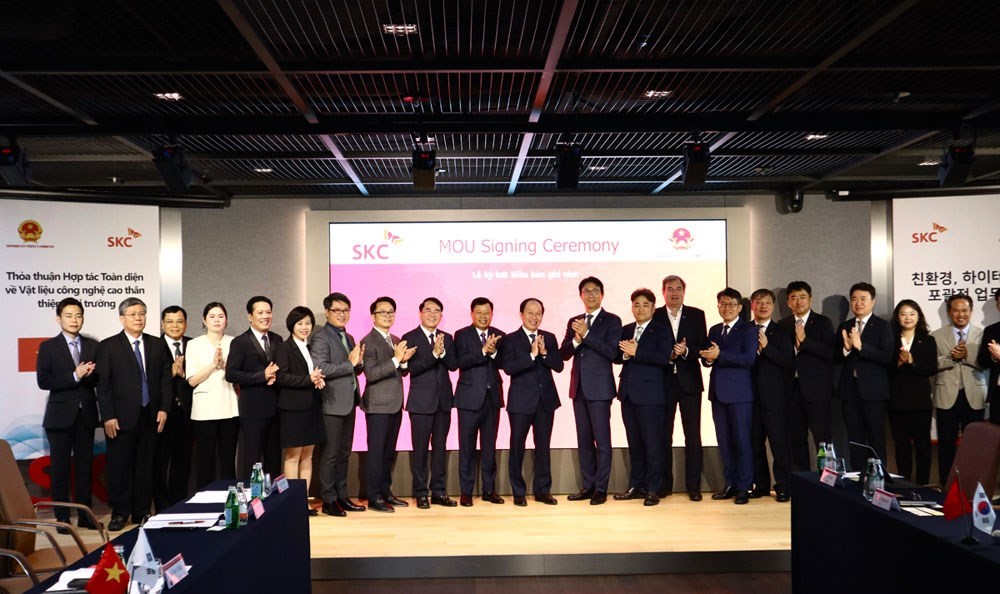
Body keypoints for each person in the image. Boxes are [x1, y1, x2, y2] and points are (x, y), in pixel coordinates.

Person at [96, 297, 173, 532]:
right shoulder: (109, 346)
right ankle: (120, 512)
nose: (138, 318)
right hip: (120, 418)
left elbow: (166, 379)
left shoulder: (157, 345)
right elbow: (103, 385)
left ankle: (142, 512)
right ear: (122, 318)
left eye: (142, 313)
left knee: (145, 467)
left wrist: (164, 408)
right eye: (133, 314)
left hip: (151, 415)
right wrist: (108, 416)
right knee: (120, 467)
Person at [36, 297, 99, 530]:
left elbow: (99, 379)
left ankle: (84, 515)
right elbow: (44, 381)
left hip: (86, 415)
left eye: (78, 315)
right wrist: (74, 376)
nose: (74, 320)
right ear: (58, 319)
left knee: (85, 469)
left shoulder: (93, 346)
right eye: (69, 316)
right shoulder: (48, 347)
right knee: (60, 470)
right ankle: (62, 517)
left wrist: (89, 375)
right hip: (59, 417)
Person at [560, 277, 622, 505]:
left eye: (595, 291)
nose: (591, 295)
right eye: (586, 291)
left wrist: (587, 335)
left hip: (600, 389)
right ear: (581, 295)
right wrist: (576, 340)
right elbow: (563, 354)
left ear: (602, 294)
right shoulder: (574, 321)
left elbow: (612, 353)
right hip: (578, 388)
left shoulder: (612, 320)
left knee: (602, 441)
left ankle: (600, 489)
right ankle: (588, 486)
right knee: (584, 440)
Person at [500, 298, 564, 507]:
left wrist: (544, 354)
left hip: (546, 401)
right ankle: (518, 491)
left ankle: (543, 490)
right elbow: (508, 368)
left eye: (538, 313)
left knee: (543, 447)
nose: (534, 317)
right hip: (520, 402)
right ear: (521, 315)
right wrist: (531, 355)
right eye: (530, 312)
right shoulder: (510, 339)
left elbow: (559, 366)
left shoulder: (549, 338)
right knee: (517, 446)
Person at [614, 289, 671, 506]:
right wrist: (624, 354)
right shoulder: (626, 329)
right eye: (636, 305)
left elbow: (663, 358)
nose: (640, 309)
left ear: (653, 308)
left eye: (645, 305)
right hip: (628, 394)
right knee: (634, 443)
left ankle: (653, 488)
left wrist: (637, 352)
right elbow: (616, 356)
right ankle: (636, 485)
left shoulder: (662, 330)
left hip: (651, 396)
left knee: (653, 444)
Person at [400, 298, 459, 509]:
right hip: (421, 403)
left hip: (443, 402)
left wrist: (442, 352)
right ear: (420, 313)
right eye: (428, 310)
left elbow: (454, 365)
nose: (432, 314)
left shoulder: (447, 338)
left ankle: (439, 492)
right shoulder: (409, 337)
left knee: (440, 449)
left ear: (441, 315)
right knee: (421, 450)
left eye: (437, 311)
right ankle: (420, 493)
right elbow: (411, 369)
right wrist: (434, 354)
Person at [651, 275, 706, 501]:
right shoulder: (654, 315)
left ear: (684, 291)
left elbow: (702, 346)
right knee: (663, 436)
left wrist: (686, 351)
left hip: (689, 382)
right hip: (662, 382)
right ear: (663, 292)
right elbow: (650, 347)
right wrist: (669, 355)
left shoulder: (697, 315)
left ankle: (694, 487)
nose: (674, 293)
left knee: (693, 436)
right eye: (670, 289)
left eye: (678, 288)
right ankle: (664, 485)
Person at [701, 288, 757, 505]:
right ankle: (730, 483)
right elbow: (708, 357)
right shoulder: (715, 330)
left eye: (731, 304)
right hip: (718, 393)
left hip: (740, 394)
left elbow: (748, 359)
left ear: (740, 307)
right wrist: (708, 359)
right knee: (724, 442)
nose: (727, 308)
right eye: (723, 304)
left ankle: (744, 486)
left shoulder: (748, 329)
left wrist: (720, 355)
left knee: (742, 442)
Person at [311, 292, 365, 517]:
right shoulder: (320, 337)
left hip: (349, 402)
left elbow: (351, 368)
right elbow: (321, 368)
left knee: (344, 453)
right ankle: (329, 499)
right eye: (337, 310)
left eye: (345, 310)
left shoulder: (348, 336)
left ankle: (342, 496)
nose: (342, 314)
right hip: (331, 404)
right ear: (327, 312)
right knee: (330, 454)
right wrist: (350, 364)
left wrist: (358, 363)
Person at [360, 297, 416, 513]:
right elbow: (371, 374)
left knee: (388, 453)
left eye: (391, 311)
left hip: (394, 403)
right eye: (382, 312)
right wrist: (396, 359)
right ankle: (374, 496)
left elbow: (402, 372)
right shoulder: (368, 341)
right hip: (377, 405)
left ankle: (385, 491)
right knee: (376, 453)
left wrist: (404, 360)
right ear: (373, 316)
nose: (388, 315)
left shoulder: (395, 339)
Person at [835, 282, 894, 471]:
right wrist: (846, 349)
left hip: (874, 393)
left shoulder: (883, 326)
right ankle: (858, 480)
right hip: (849, 392)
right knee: (855, 441)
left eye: (863, 299)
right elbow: (834, 358)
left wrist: (861, 347)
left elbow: (887, 357)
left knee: (876, 439)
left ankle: (879, 481)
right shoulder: (844, 326)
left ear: (872, 301)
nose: (858, 303)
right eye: (854, 299)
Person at [454, 297, 507, 507]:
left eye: (487, 313)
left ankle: (489, 489)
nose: (483, 316)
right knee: (466, 446)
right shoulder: (461, 334)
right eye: (479, 313)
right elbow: (461, 361)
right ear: (472, 314)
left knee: (489, 446)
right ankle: (466, 491)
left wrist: (494, 352)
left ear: (492, 314)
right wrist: (483, 350)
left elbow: (505, 364)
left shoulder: (500, 335)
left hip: (492, 398)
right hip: (469, 398)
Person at [778, 281, 835, 473]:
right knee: (796, 440)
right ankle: (802, 481)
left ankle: (826, 481)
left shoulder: (823, 323)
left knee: (823, 440)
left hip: (817, 392)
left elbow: (830, 353)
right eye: (793, 298)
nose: (799, 301)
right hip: (791, 391)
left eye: (802, 297)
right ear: (788, 303)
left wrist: (805, 341)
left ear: (810, 299)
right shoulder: (782, 325)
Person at [274, 306, 326, 514]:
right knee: (293, 456)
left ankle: (303, 501)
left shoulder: (310, 347)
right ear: (291, 326)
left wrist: (318, 381)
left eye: (308, 323)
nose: (305, 327)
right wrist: (308, 379)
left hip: (312, 407)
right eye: (300, 323)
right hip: (292, 409)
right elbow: (282, 377)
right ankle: (290, 503)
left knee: (308, 456)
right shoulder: (284, 347)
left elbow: (312, 374)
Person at [931, 294, 987, 486]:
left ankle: (974, 486)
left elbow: (987, 364)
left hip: (975, 395)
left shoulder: (982, 334)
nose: (960, 314)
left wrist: (967, 355)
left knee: (975, 446)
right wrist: (951, 358)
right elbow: (931, 364)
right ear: (949, 312)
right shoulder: (936, 335)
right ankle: (946, 486)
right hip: (946, 395)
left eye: (964, 310)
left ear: (971, 311)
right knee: (946, 445)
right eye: (956, 310)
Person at [225, 296, 282, 480]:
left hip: (275, 409)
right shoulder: (240, 342)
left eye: (268, 312)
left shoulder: (277, 339)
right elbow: (231, 374)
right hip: (252, 411)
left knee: (274, 460)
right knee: (251, 460)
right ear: (250, 316)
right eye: (260, 312)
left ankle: (273, 496)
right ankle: (250, 496)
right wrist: (261, 376)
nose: (265, 316)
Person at [185, 303, 239, 490]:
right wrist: (213, 365)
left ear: (226, 320)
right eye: (212, 316)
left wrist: (225, 366)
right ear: (204, 320)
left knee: (228, 458)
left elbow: (239, 375)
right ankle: (205, 496)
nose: (217, 320)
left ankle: (230, 496)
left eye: (221, 316)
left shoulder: (235, 342)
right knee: (205, 459)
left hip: (230, 406)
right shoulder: (194, 344)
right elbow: (192, 380)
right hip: (204, 410)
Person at [748, 289, 794, 502]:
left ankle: (783, 486)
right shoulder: (744, 330)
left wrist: (766, 348)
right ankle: (761, 485)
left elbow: (787, 363)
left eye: (767, 302)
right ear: (752, 306)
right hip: (749, 397)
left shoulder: (782, 331)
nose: (763, 306)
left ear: (773, 306)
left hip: (775, 398)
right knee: (755, 444)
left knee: (779, 445)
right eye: (759, 302)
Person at [888, 300, 937, 485]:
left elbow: (931, 368)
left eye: (912, 314)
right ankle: (904, 484)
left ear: (918, 316)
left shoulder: (928, 340)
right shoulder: (890, 339)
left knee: (923, 447)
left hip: (920, 403)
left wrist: (912, 362)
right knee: (901, 447)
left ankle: (923, 484)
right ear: (897, 317)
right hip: (896, 402)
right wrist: (899, 363)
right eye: (903, 314)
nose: (907, 318)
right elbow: (884, 369)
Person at [153, 305, 194, 511]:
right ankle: (162, 506)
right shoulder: (153, 347)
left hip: (188, 412)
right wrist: (171, 371)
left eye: (179, 321)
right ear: (162, 324)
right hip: (163, 413)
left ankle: (179, 503)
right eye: (170, 321)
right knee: (160, 462)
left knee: (183, 461)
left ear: (186, 324)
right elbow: (150, 381)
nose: (175, 326)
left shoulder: (194, 345)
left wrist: (184, 373)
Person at [978, 289, 1000, 425]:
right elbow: (982, 361)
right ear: (997, 306)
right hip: (998, 395)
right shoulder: (991, 330)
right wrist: (994, 358)